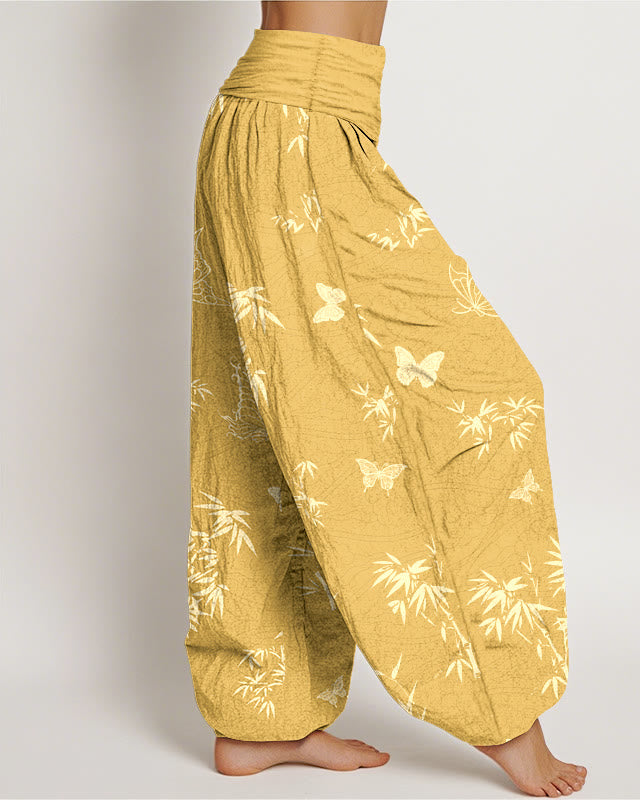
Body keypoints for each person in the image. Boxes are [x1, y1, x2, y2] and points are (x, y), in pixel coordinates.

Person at [187, 2, 588, 796]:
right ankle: (500, 709)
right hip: (297, 124)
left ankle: (261, 712)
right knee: (476, 402)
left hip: (291, 122)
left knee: (266, 432)